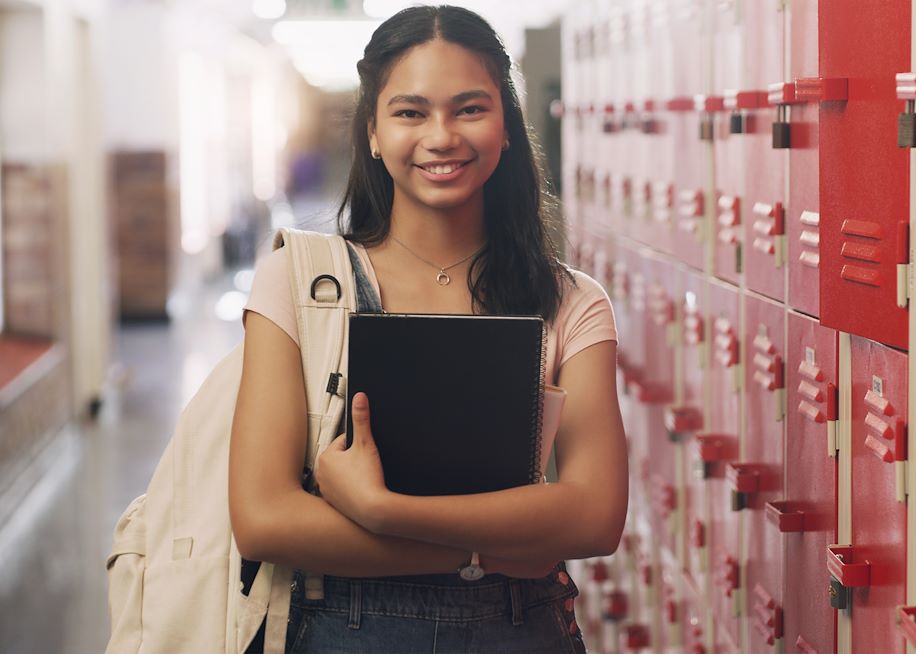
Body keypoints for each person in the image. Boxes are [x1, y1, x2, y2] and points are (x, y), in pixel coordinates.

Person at [230, 5, 628, 652]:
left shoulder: (571, 302)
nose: (441, 136)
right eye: (410, 112)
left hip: (521, 633)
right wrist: (490, 550)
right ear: (373, 133)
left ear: (507, 128)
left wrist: (385, 511)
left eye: (469, 108)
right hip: (338, 631)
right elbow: (265, 520)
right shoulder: (300, 283)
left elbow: (595, 515)